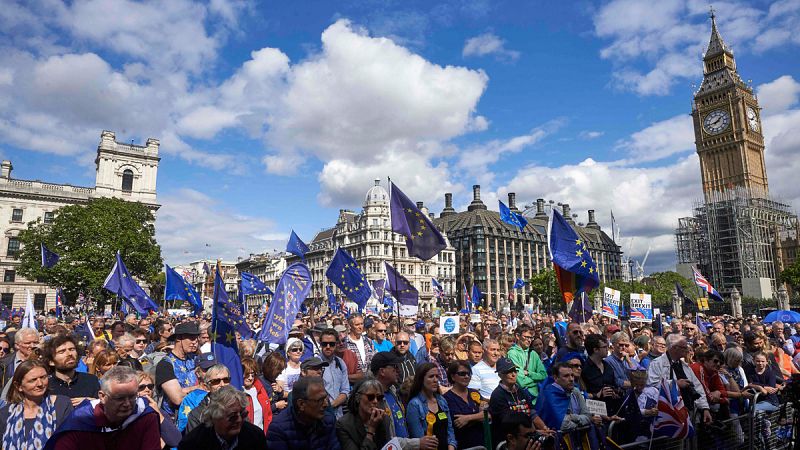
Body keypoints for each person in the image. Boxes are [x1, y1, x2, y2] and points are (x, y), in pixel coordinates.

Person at [43, 365, 162, 450]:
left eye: (132, 396)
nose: (127, 404)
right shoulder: (80, 421)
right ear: (102, 396)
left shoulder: (145, 416)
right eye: (119, 398)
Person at [0, 360, 73, 449]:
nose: (40, 384)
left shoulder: (61, 405)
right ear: (19, 386)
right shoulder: (6, 413)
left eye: (43, 377)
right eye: (33, 380)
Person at [646, 333, 713, 425]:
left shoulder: (685, 366)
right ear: (674, 348)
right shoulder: (657, 364)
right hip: (669, 415)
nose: (687, 350)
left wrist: (705, 408)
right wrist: (675, 383)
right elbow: (651, 385)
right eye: (684, 347)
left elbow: (697, 387)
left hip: (689, 412)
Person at [178, 386, 267, 450]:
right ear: (215, 417)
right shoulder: (192, 443)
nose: (239, 420)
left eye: (242, 414)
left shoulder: (255, 436)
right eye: (232, 417)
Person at [489, 358, 551, 449]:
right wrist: (535, 433)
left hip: (526, 435)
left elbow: (533, 414)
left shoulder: (521, 391)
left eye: (514, 370)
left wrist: (545, 429)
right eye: (508, 372)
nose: (513, 374)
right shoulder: (497, 395)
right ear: (500, 375)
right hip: (508, 440)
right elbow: (509, 425)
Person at [266, 376, 340, 450]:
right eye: (320, 400)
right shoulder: (279, 429)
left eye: (325, 398)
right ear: (301, 404)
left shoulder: (328, 420)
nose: (326, 404)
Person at [155, 321, 203, 421]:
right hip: (174, 420)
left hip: (196, 417)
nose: (195, 342)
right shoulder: (165, 364)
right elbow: (177, 398)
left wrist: (184, 390)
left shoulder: (195, 359)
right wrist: (200, 388)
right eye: (191, 338)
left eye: (196, 338)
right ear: (178, 339)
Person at [535, 362, 600, 433]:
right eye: (566, 376)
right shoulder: (549, 394)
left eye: (572, 375)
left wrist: (571, 417)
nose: (571, 379)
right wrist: (581, 423)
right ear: (556, 378)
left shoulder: (575, 391)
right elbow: (563, 425)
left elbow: (588, 417)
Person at [406, 362, 457, 450]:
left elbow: (450, 430)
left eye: (437, 376)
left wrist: (451, 446)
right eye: (431, 376)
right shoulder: (414, 405)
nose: (435, 380)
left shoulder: (442, 401)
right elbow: (418, 439)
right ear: (421, 379)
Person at [43, 334, 100, 406]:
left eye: (72, 349)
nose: (69, 354)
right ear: (51, 361)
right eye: (62, 351)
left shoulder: (91, 381)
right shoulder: (46, 385)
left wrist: (93, 402)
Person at [335, 378, 390, 450]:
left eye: (379, 397)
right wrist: (371, 430)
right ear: (358, 398)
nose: (375, 401)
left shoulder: (383, 419)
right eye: (371, 397)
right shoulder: (344, 425)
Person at [443, 360, 485, 450]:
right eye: (462, 374)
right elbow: (458, 422)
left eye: (468, 374)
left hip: (482, 444)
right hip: (463, 445)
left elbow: (488, 415)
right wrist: (479, 416)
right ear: (453, 377)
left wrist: (468, 418)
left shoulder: (475, 393)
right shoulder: (447, 398)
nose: (466, 376)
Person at [184, 364, 232, 433]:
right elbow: (193, 441)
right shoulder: (197, 415)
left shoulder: (238, 407)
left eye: (226, 380)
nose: (222, 384)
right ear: (207, 386)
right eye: (216, 381)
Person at [507, 325, 547, 399]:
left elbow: (544, 375)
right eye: (527, 337)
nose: (529, 340)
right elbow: (520, 381)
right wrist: (535, 381)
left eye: (531, 338)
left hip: (537, 397)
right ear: (518, 336)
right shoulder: (512, 353)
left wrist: (529, 373)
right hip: (522, 397)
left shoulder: (533, 353)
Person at [318, 328, 350, 418]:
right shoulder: (315, 364)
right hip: (321, 416)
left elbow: (345, 390)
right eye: (324, 344)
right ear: (320, 344)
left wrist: (332, 405)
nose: (328, 347)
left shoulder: (341, 363)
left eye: (331, 344)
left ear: (336, 344)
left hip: (338, 416)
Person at [242, 356, 272, 432]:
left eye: (252, 374)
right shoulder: (237, 392)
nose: (250, 378)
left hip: (262, 435)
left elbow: (268, 414)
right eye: (247, 374)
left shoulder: (260, 388)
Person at [344, 314, 375, 382]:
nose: (360, 327)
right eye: (357, 325)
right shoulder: (344, 343)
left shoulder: (368, 341)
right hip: (352, 384)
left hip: (368, 383)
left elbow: (374, 360)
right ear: (350, 326)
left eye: (361, 324)